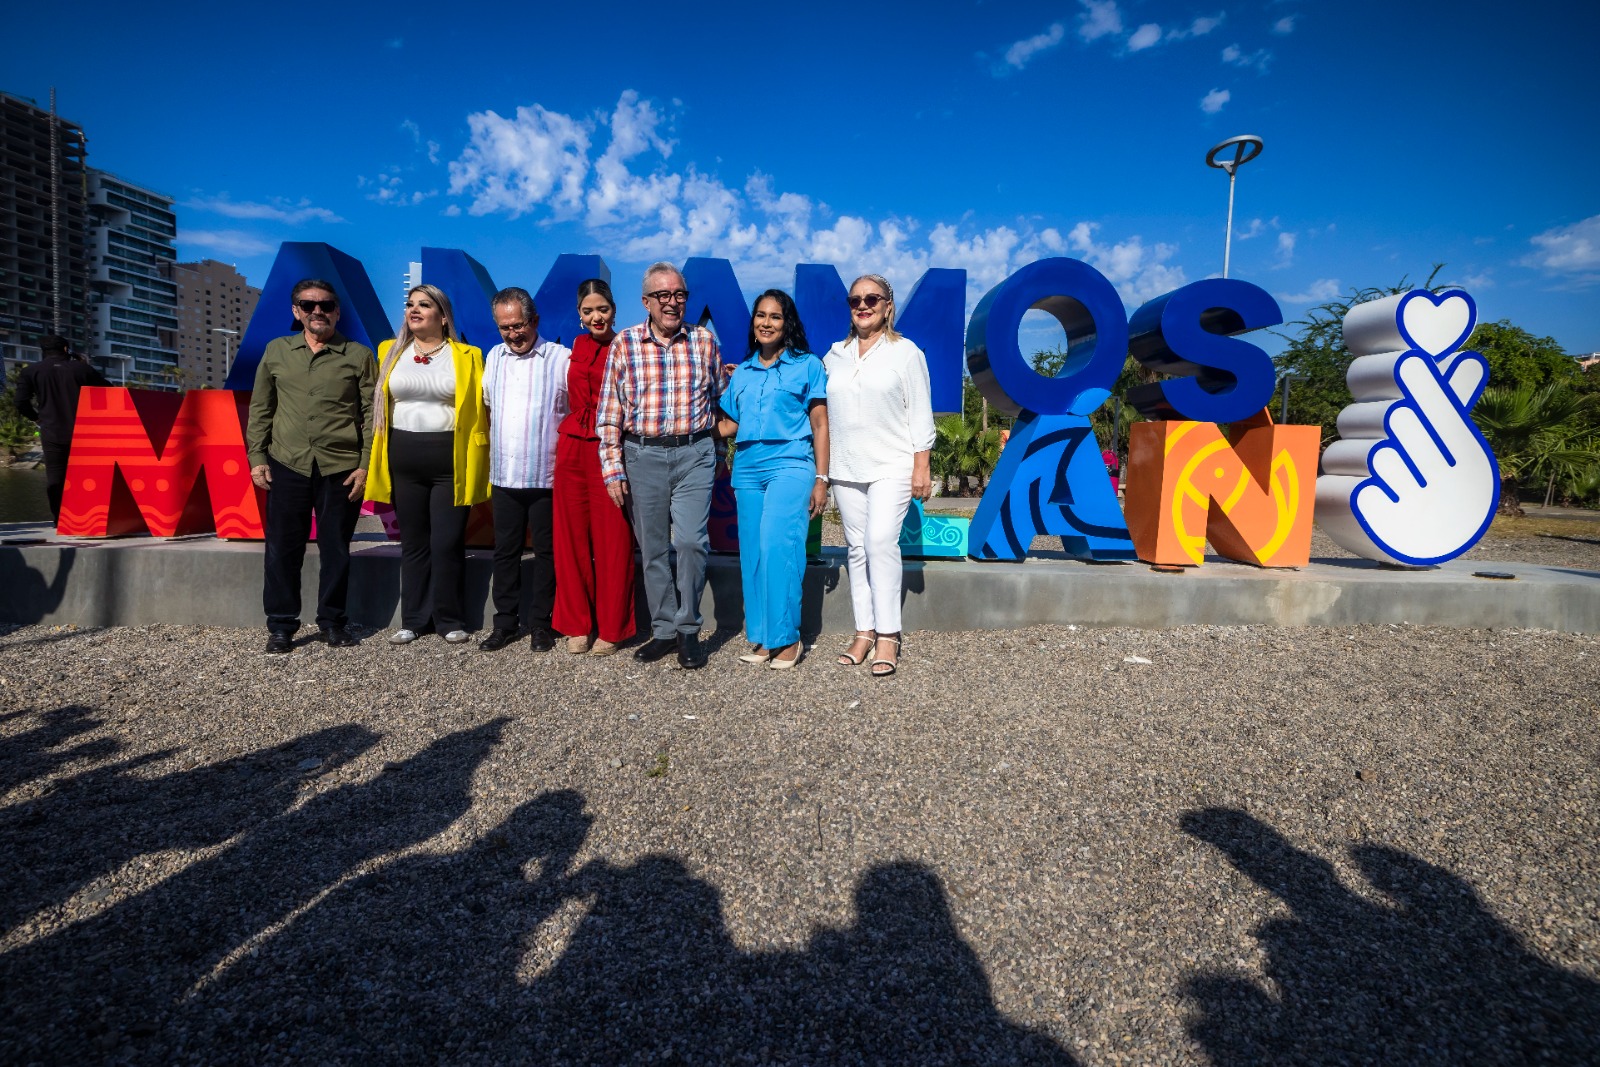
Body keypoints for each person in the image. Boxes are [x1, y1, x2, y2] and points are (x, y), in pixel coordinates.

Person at [595, 262, 723, 670]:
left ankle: (688, 629)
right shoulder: (625, 343)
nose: (672, 303)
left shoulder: (704, 341)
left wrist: (717, 453)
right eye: (663, 295)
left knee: (690, 542)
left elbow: (722, 398)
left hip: (694, 454)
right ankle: (664, 631)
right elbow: (609, 413)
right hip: (642, 456)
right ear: (646, 301)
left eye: (679, 295)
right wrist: (613, 468)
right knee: (652, 548)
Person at [244, 282, 376, 654]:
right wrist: (257, 458)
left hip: (341, 467)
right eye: (308, 304)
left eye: (326, 305)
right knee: (283, 549)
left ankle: (333, 622)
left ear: (337, 311)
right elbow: (261, 410)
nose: (318, 311)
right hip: (288, 464)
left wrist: (365, 466)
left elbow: (372, 416)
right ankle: (282, 625)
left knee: (336, 548)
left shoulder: (358, 355)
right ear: (296, 310)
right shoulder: (276, 351)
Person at [822, 274, 935, 678]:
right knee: (855, 548)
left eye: (872, 298)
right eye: (855, 299)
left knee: (879, 541)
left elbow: (921, 412)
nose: (863, 305)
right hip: (846, 467)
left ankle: (889, 633)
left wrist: (922, 465)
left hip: (893, 465)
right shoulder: (833, 356)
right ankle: (864, 631)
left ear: (888, 305)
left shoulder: (906, 353)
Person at [364, 284, 490, 645]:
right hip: (403, 460)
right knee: (414, 543)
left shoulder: (468, 355)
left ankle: (450, 619)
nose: (414, 310)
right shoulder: (389, 351)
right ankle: (415, 619)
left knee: (448, 542)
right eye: (409, 304)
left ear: (443, 315)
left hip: (449, 461)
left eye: (424, 304)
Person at [714, 290, 829, 669]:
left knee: (779, 546)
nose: (766, 323)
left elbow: (819, 423)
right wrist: (683, 425)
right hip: (747, 467)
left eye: (775, 317)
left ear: (787, 323)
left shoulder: (807, 364)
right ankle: (763, 637)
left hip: (791, 463)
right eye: (761, 316)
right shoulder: (744, 371)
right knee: (754, 554)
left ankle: (788, 637)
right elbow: (729, 425)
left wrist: (821, 479)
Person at [478, 287, 570, 653]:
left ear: (535, 321)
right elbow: (487, 405)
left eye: (518, 326)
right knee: (505, 552)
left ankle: (541, 624)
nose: (513, 335)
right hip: (504, 475)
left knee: (547, 553)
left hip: (547, 475)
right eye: (504, 328)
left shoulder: (560, 357)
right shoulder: (493, 357)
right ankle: (504, 624)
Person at [552, 279, 637, 656]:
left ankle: (614, 627)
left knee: (613, 539)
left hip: (609, 447)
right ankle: (576, 625)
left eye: (601, 309)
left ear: (613, 309)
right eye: (588, 311)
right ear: (579, 315)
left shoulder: (626, 346)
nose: (595, 316)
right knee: (569, 539)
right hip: (571, 447)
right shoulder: (572, 348)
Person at [15, 334, 111, 523]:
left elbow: (20, 402)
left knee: (55, 477)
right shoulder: (82, 369)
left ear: (43, 352)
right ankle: (91, 517)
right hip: (85, 432)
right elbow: (108, 391)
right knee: (89, 476)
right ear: (66, 349)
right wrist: (82, 364)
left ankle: (60, 519)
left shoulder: (31, 371)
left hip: (52, 431)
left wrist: (36, 418)